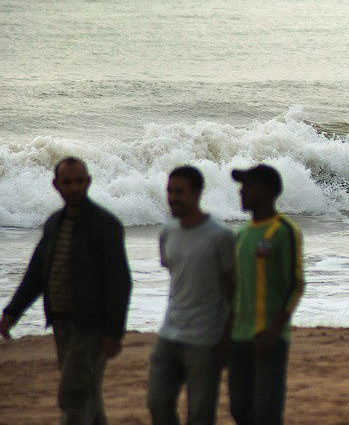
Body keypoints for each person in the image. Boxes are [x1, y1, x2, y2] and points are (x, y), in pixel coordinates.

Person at [0, 157, 132, 423]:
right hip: (61, 323)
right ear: (56, 185)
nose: (73, 187)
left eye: (79, 181)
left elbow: (120, 282)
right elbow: (37, 273)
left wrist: (115, 332)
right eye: (67, 182)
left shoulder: (105, 225)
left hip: (92, 327)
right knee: (88, 396)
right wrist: (13, 312)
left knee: (72, 394)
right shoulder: (54, 224)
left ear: (89, 182)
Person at [147, 166, 235, 425]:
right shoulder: (168, 232)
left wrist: (226, 338)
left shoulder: (221, 236)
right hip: (169, 334)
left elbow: (234, 290)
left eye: (180, 192)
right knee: (157, 403)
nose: (173, 197)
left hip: (205, 340)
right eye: (169, 191)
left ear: (197, 193)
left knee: (200, 414)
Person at [229, 164, 305, 425]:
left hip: (269, 338)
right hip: (239, 336)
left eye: (247, 187)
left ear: (267, 191)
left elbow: (296, 285)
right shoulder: (242, 235)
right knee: (240, 409)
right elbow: (235, 288)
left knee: (267, 414)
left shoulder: (284, 231)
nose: (241, 193)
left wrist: (273, 330)